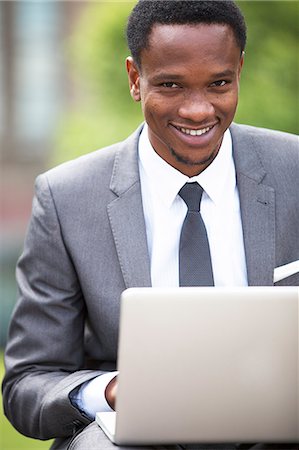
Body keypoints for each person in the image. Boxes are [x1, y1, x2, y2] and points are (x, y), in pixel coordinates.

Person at [2, 1, 298, 450]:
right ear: (135, 79)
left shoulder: (293, 172)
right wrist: (111, 392)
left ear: (239, 70)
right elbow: (27, 383)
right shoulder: (66, 199)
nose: (198, 111)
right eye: (171, 85)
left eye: (219, 83)